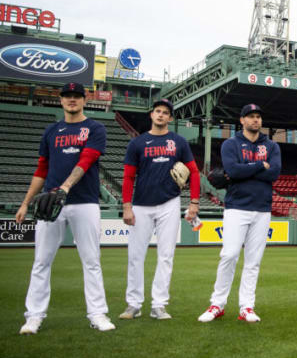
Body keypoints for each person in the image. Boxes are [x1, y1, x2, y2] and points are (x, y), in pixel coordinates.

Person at [16, 82, 115, 334]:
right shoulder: (51, 132)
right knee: (41, 261)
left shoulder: (95, 128)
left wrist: (66, 187)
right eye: (67, 96)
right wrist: (26, 203)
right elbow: (41, 170)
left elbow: (87, 159)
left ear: (84, 100)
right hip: (51, 202)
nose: (72, 100)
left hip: (84, 202)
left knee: (91, 261)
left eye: (77, 96)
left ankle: (97, 313)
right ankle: (34, 316)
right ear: (60, 100)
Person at [119, 99, 201, 320]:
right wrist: (126, 206)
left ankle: (159, 305)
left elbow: (194, 172)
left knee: (166, 255)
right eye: (158, 111)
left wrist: (194, 203)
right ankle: (133, 304)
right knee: (135, 255)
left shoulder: (179, 142)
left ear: (170, 118)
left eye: (166, 113)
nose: (161, 115)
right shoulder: (137, 143)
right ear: (151, 115)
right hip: (141, 204)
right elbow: (128, 177)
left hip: (169, 203)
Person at [198, 104, 280, 323]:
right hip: (236, 207)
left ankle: (247, 307)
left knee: (253, 261)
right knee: (229, 254)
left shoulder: (271, 146)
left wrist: (248, 169)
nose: (255, 120)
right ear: (242, 120)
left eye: (258, 116)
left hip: (262, 209)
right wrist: (259, 166)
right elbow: (232, 170)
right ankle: (217, 304)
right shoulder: (230, 144)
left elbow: (274, 174)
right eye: (251, 116)